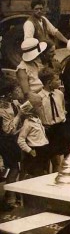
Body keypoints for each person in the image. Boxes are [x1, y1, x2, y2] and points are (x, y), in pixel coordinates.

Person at [37, 67, 68, 173]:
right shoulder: (39, 97)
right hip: (47, 130)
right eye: (57, 79)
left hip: (59, 128)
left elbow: (62, 109)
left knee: (58, 159)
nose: (59, 81)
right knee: (46, 159)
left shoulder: (60, 94)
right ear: (49, 82)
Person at [0, 82, 23, 210]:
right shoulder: (2, 109)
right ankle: (10, 198)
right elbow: (8, 130)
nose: (19, 91)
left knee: (17, 168)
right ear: (9, 94)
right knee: (13, 169)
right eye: (17, 89)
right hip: (7, 142)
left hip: (16, 140)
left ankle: (13, 194)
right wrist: (19, 116)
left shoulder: (14, 103)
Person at [16, 101, 49, 179]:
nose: (42, 107)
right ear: (33, 109)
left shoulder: (37, 120)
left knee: (43, 173)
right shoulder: (28, 123)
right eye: (39, 106)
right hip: (35, 151)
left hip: (43, 149)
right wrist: (30, 150)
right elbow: (20, 140)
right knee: (36, 175)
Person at [16, 38, 46, 115]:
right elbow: (26, 93)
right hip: (35, 100)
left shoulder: (35, 63)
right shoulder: (22, 69)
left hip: (44, 94)